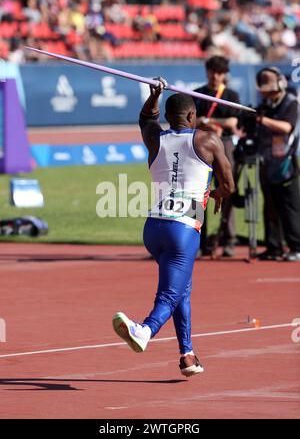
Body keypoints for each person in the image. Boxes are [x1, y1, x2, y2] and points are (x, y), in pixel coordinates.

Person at [112, 79, 235, 377]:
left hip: (154, 228)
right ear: (192, 116)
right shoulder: (208, 140)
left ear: (169, 117)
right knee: (169, 294)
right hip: (184, 228)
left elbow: (145, 119)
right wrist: (217, 194)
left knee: (181, 289)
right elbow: (229, 183)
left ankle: (188, 355)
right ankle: (145, 330)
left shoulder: (155, 139)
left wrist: (154, 95)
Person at [194, 56, 240, 258]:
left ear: (224, 74)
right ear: (207, 71)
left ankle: (228, 239)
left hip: (226, 145)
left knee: (227, 190)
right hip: (202, 146)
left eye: (219, 72)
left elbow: (232, 122)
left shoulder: (230, 94)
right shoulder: (197, 94)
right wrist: (206, 123)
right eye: (212, 71)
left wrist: (209, 120)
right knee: (198, 192)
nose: (215, 75)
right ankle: (198, 241)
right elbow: (191, 120)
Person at [256, 67, 300, 262]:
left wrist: (262, 120)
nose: (266, 92)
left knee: (289, 207)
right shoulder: (265, 104)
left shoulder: (291, 103)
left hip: (286, 163)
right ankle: (274, 246)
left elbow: (286, 127)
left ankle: (296, 246)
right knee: (270, 207)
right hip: (266, 161)